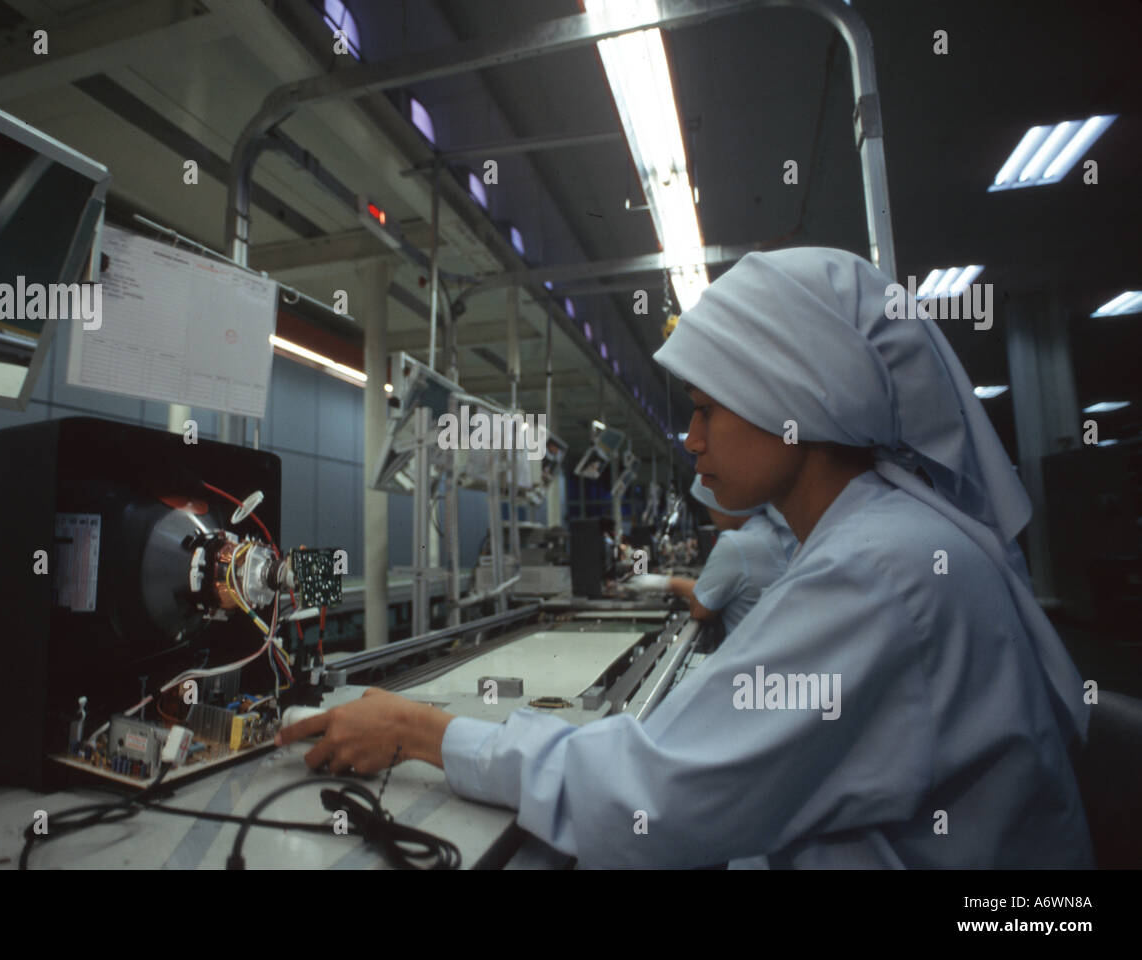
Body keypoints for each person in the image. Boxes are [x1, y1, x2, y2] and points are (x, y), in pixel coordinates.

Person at [279, 248, 1093, 868]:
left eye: (706, 409)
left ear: (793, 406)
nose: (692, 439)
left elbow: (653, 798)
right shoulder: (879, 541)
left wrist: (419, 729)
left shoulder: (883, 571)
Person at [629, 476, 796, 631]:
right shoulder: (767, 531)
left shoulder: (736, 543)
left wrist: (666, 584)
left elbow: (701, 609)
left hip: (754, 657)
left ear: (723, 503)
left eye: (708, 507)